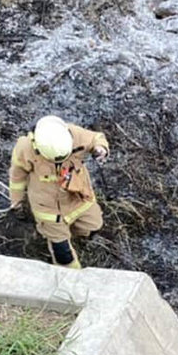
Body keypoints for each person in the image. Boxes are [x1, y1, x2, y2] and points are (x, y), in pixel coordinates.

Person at [9, 115, 109, 269]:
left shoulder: (74, 133)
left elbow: (96, 138)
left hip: (77, 197)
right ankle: (70, 277)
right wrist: (16, 201)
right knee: (63, 254)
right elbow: (17, 177)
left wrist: (101, 148)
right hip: (48, 208)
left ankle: (71, 234)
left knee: (92, 225)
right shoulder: (25, 148)